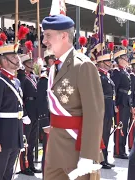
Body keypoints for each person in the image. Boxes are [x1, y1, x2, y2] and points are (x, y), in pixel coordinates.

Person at [41, 14, 104, 180]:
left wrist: (87, 156)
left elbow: (94, 114)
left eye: (48, 35)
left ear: (64, 36)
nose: (44, 41)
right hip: (55, 149)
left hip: (76, 150)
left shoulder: (83, 65)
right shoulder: (55, 66)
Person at [0, 41, 28, 180]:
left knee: (9, 173)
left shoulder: (15, 81)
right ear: (4, 60)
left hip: (15, 134)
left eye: (17, 57)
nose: (18, 60)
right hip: (2, 135)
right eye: (14, 57)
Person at [18, 47, 42, 176]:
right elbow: (20, 97)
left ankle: (31, 164)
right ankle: (24, 165)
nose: (32, 64)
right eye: (29, 62)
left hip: (35, 110)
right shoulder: (21, 77)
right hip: (27, 108)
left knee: (33, 140)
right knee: (26, 141)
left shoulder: (33, 76)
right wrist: (24, 114)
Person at [111, 44, 131, 159]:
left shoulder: (125, 71)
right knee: (120, 127)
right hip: (120, 103)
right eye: (125, 58)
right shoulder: (117, 72)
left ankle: (122, 149)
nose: (127, 60)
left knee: (124, 127)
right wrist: (115, 104)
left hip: (126, 102)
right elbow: (115, 89)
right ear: (119, 59)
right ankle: (118, 151)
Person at [36, 49, 55, 174]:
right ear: (50, 60)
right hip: (50, 119)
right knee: (49, 151)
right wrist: (45, 122)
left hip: (61, 120)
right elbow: (41, 101)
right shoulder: (45, 78)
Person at [97, 51, 116, 169]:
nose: (110, 63)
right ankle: (101, 159)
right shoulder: (99, 76)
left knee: (107, 134)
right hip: (103, 107)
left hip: (109, 107)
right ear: (102, 63)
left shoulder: (107, 75)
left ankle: (105, 158)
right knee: (102, 134)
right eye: (108, 61)